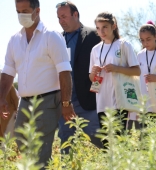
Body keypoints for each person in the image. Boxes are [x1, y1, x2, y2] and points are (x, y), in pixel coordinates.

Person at [0, 0, 75, 168]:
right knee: (21, 139)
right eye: (18, 11)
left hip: (47, 101)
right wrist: (1, 98)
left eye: (25, 10)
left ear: (37, 10)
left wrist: (66, 103)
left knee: (42, 148)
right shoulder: (14, 40)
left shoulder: (51, 36)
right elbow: (8, 72)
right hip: (25, 102)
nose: (21, 15)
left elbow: (64, 71)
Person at [56, 1, 102, 153]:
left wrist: (97, 92)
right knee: (65, 144)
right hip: (66, 103)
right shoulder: (57, 39)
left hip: (88, 101)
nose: (61, 21)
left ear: (75, 14)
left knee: (102, 140)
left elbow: (101, 65)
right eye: (59, 18)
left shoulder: (94, 35)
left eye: (64, 16)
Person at [89, 12, 140, 133]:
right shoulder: (95, 49)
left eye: (105, 27)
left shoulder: (124, 45)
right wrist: (94, 72)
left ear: (114, 26)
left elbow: (137, 71)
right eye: (98, 28)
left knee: (119, 139)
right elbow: (91, 78)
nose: (101, 31)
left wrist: (116, 68)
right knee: (106, 142)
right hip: (102, 101)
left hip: (119, 100)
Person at [0, 70, 19, 139]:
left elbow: (16, 99)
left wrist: (18, 113)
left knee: (8, 136)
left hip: (10, 115)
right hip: (2, 117)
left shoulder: (9, 87)